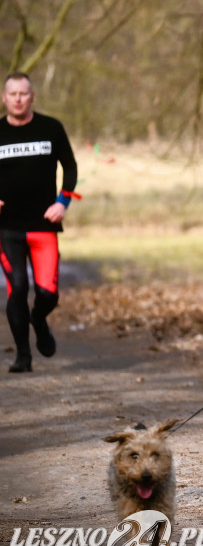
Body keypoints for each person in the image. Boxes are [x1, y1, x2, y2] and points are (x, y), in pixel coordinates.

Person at [0, 72, 79, 373]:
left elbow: (70, 165)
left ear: (32, 96)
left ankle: (40, 319)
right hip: (7, 228)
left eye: (24, 93)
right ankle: (23, 356)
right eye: (13, 94)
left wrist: (63, 201)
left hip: (44, 226)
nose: (18, 99)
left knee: (47, 293)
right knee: (17, 286)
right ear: (4, 98)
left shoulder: (51, 128)